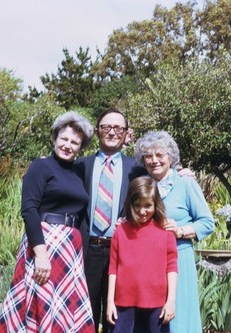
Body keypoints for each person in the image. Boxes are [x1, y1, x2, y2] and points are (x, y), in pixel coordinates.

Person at [0, 111, 95, 333]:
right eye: (64, 139)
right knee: (39, 304)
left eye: (75, 142)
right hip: (44, 245)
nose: (68, 145)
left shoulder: (78, 173)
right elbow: (29, 210)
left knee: (65, 313)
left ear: (81, 147)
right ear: (54, 138)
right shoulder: (41, 166)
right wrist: (41, 254)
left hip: (69, 251)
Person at [134, 130, 215, 333]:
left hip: (179, 259)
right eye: (148, 156)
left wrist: (180, 231)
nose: (154, 161)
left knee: (178, 318)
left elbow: (207, 222)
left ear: (170, 157)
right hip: (148, 264)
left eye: (159, 155)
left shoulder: (185, 183)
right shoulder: (142, 185)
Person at [74, 108, 140, 333]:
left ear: (126, 133)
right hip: (88, 249)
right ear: (98, 131)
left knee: (117, 316)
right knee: (85, 314)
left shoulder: (138, 169)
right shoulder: (80, 166)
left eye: (118, 128)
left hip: (121, 251)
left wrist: (182, 172)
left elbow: (161, 178)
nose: (112, 132)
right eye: (106, 127)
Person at [106, 176, 178, 333]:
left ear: (156, 204)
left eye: (148, 205)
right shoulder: (120, 231)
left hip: (157, 304)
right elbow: (113, 268)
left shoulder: (166, 232)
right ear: (130, 204)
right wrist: (110, 301)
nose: (142, 211)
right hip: (123, 303)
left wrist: (171, 301)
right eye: (137, 205)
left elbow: (172, 267)